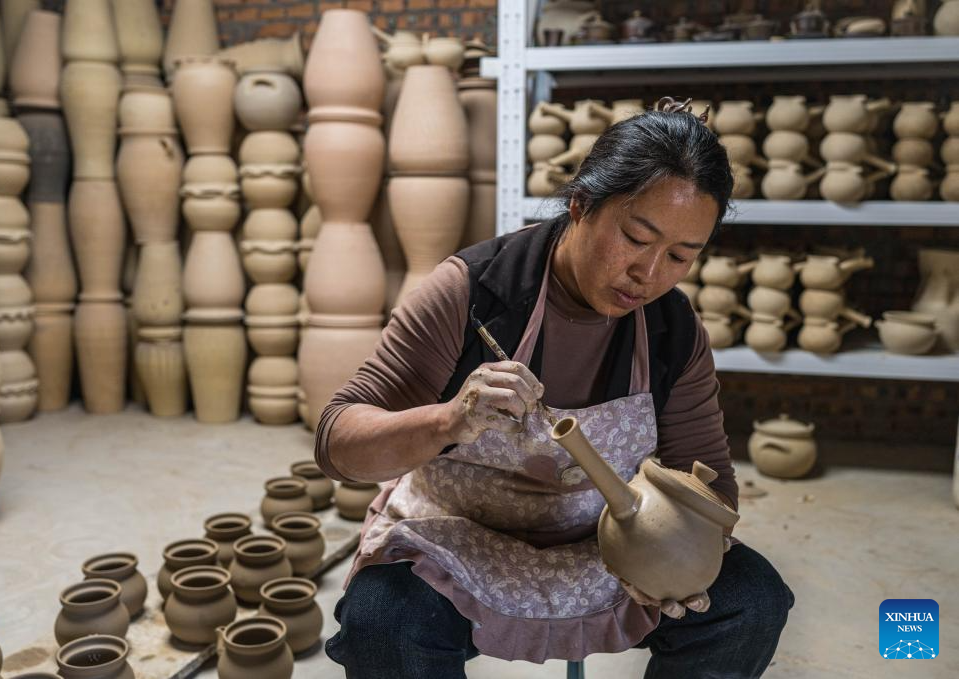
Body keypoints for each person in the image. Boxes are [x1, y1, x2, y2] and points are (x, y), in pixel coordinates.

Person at [314, 98, 795, 678]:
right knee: (383, 620)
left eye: (679, 256)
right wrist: (447, 420)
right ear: (580, 205)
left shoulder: (672, 328)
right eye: (635, 238)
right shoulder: (473, 294)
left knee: (750, 601)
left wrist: (682, 553)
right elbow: (338, 443)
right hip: (456, 540)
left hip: (608, 547)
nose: (648, 274)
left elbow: (708, 474)